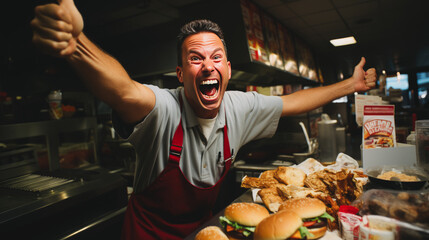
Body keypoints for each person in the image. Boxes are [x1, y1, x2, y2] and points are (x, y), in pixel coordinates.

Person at [31, 0, 377, 239]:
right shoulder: (165, 109)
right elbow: (124, 91)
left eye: (216, 57)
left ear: (227, 69)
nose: (207, 65)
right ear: (181, 74)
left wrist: (352, 84)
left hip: (203, 233)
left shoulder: (240, 107)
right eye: (195, 59)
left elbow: (292, 103)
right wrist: (76, 44)